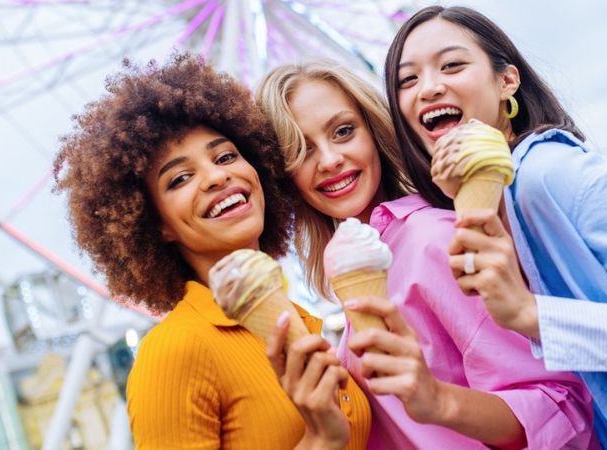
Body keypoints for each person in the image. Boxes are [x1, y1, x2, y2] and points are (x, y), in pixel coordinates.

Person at [383, 5, 607, 449]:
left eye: (452, 65)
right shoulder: (473, 218)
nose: (428, 88)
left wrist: (532, 316)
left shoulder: (554, 175)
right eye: (408, 80)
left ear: (507, 81)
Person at [256, 60, 595, 449]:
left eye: (344, 131)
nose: (330, 159)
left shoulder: (432, 240)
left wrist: (437, 400)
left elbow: (560, 405)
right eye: (301, 149)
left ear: (374, 129)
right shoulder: (358, 268)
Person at [53, 54, 371, 449]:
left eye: (225, 156)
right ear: (157, 225)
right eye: (181, 178)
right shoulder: (173, 353)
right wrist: (321, 438)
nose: (218, 176)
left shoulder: (301, 321)